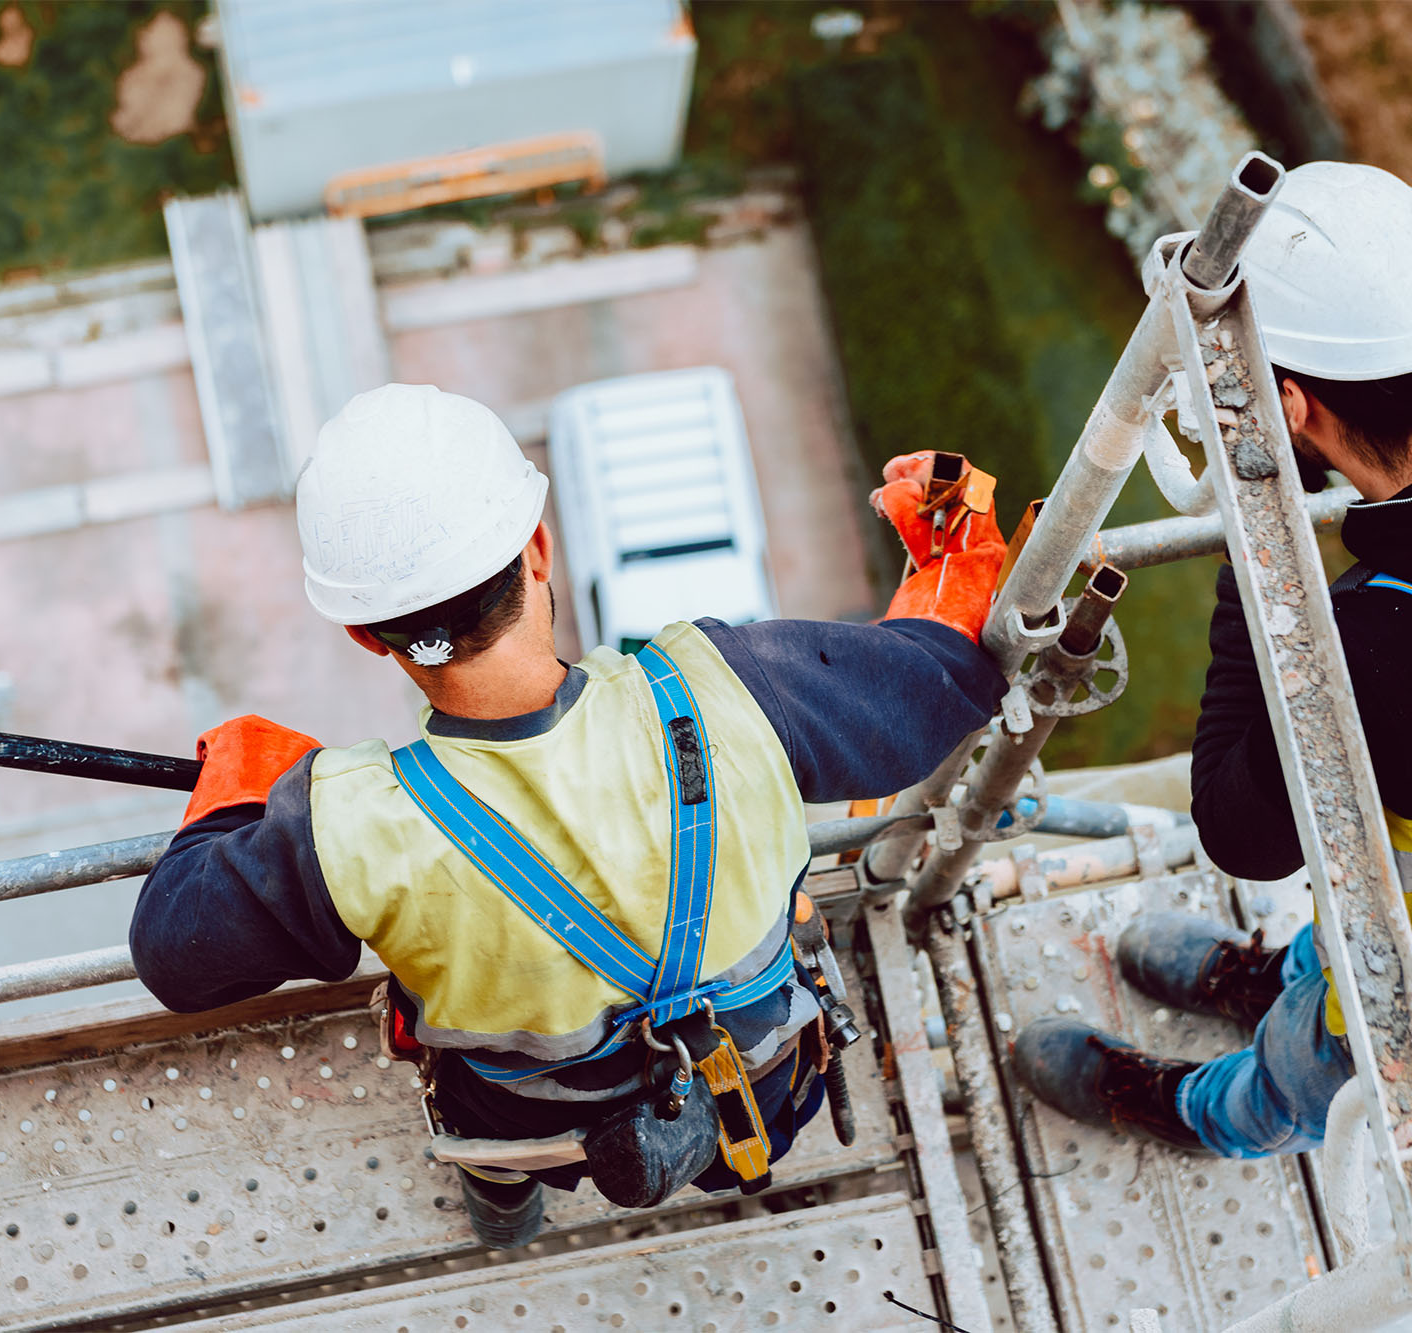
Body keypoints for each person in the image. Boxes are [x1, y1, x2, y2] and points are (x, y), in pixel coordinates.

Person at [129, 382, 1008, 1245]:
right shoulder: (735, 688)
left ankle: (504, 1207)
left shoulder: (352, 825)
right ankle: (744, 1174)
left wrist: (246, 785)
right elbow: (940, 685)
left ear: (365, 633)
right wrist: (949, 563)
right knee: (743, 1113)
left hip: (527, 1121)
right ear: (539, 551)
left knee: (491, 1145)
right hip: (761, 1078)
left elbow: (175, 951)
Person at [1014, 162, 1412, 1158]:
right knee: (1356, 933)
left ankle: (1189, 1113)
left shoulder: (1391, 651)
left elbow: (1236, 832)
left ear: (1292, 407)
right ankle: (1266, 977)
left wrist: (1255, 554)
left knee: (1293, 1073)